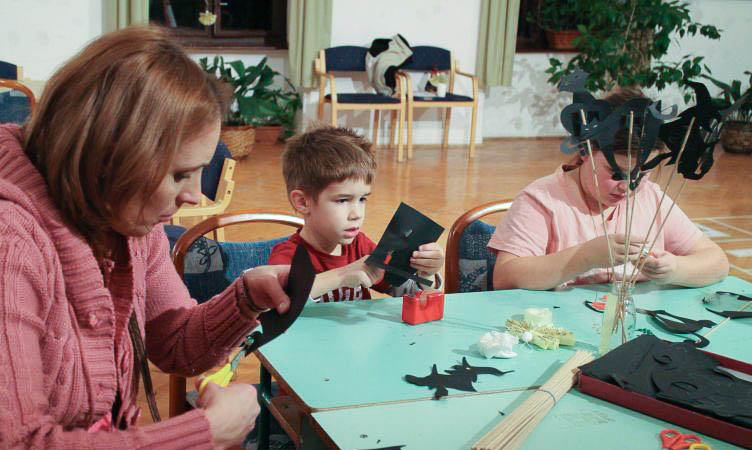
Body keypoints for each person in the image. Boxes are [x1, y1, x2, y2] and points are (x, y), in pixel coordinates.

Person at [0, 26, 292, 450]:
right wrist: (203, 435)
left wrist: (245, 298)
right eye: (180, 174)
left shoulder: (122, 214)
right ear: (112, 158)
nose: (195, 196)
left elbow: (176, 344)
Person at [489, 88, 729, 290]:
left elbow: (718, 263)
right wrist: (584, 257)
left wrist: (675, 269)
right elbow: (505, 278)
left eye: (640, 175)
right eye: (616, 173)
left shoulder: (650, 198)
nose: (626, 187)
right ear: (585, 151)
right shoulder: (543, 200)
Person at [268, 126, 445, 301]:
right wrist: (342, 276)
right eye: (342, 200)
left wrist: (426, 274)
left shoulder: (360, 245)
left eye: (362, 199)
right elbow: (279, 302)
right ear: (302, 202)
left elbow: (408, 293)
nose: (357, 214)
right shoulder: (288, 256)